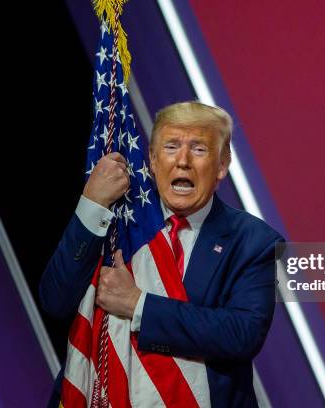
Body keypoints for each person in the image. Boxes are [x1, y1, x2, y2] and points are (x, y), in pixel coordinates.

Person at [40, 101, 284, 407]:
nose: (182, 161)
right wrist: (90, 205)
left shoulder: (254, 242)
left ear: (222, 164)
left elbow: (242, 334)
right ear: (153, 161)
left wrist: (137, 304)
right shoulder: (115, 222)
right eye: (171, 147)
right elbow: (55, 301)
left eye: (198, 149)